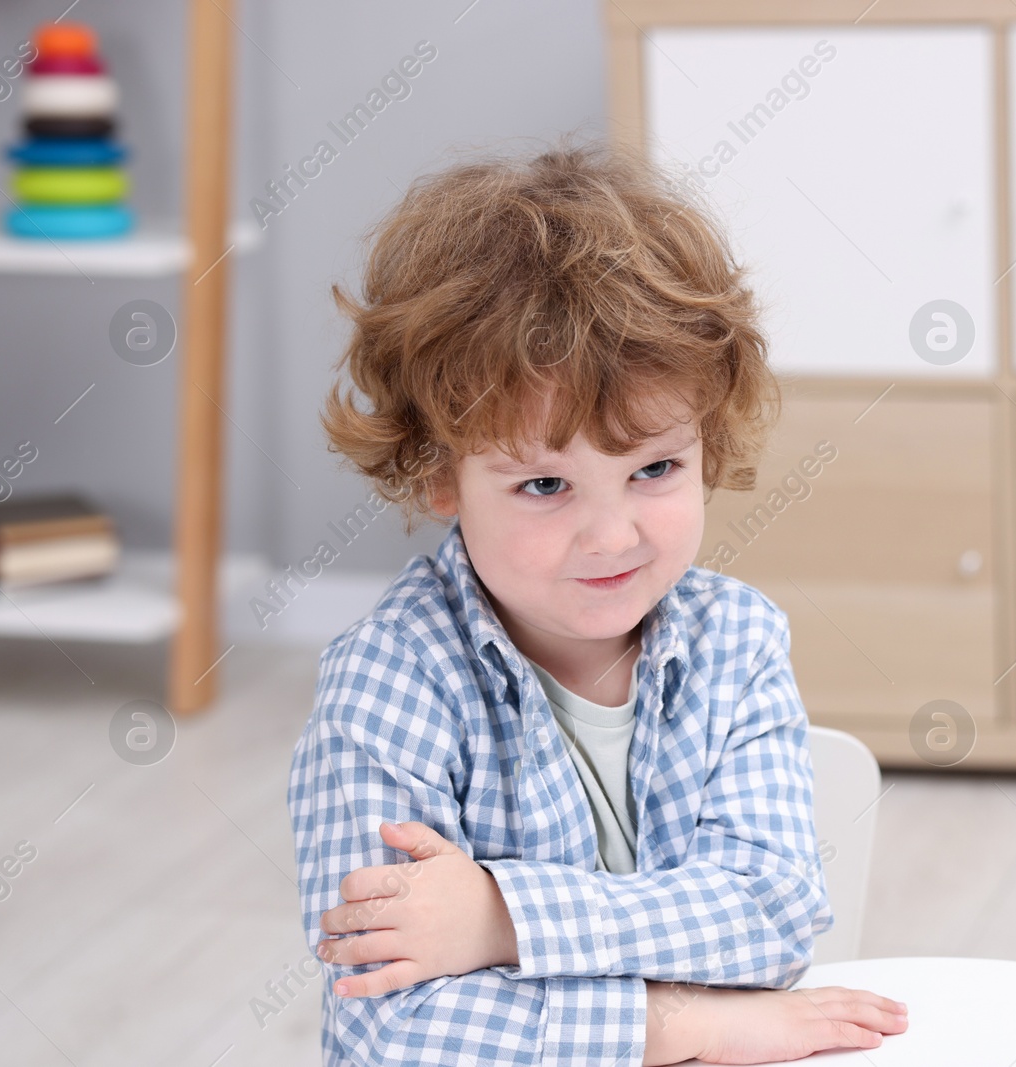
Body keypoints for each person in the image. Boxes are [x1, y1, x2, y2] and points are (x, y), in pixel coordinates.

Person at [286, 136, 908, 1065]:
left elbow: (772, 914)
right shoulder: (388, 682)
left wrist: (502, 918)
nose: (612, 536)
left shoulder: (735, 639)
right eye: (545, 486)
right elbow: (399, 1029)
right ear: (438, 473)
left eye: (654, 468)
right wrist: (688, 1024)